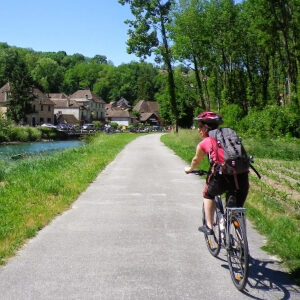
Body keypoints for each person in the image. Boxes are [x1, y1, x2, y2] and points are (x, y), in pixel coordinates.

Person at [184, 111, 249, 235]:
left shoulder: (205, 142)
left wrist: (190, 169)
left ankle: (208, 226)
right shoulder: (229, 137)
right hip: (242, 176)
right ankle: (241, 241)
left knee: (208, 195)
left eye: (200, 127)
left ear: (206, 127)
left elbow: (196, 160)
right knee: (237, 209)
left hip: (222, 178)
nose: (198, 130)